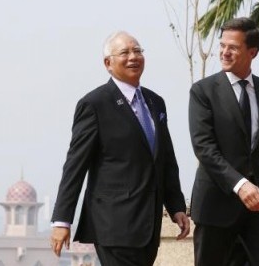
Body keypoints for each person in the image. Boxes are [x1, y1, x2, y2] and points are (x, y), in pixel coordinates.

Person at [50, 31, 190, 265]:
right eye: (124, 52)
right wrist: (62, 220)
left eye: (138, 51)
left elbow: (165, 159)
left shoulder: (156, 102)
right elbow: (75, 165)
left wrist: (176, 206)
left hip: (149, 224)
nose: (133, 57)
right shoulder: (95, 104)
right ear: (108, 63)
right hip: (114, 224)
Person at [188, 17, 259, 266]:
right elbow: (204, 148)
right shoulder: (203, 91)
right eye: (222, 45)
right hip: (216, 206)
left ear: (251, 52)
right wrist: (240, 185)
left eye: (232, 47)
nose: (224, 52)